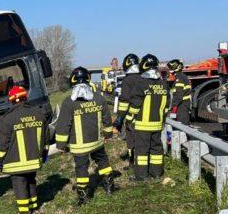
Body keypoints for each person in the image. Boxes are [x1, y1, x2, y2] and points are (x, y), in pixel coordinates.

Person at [55, 67, 115, 205]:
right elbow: (106, 117)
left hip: (79, 146)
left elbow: (63, 125)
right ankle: (110, 186)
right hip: (97, 142)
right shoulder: (98, 97)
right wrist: (108, 133)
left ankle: (83, 198)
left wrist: (61, 145)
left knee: (81, 170)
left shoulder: (69, 102)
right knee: (103, 162)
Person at [0, 85, 50, 214]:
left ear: (12, 100)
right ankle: (34, 205)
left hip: (16, 162)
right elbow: (46, 137)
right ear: (25, 97)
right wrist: (44, 154)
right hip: (34, 159)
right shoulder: (39, 114)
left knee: (20, 185)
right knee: (30, 180)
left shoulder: (8, 118)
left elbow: (2, 144)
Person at [123, 54, 169, 181]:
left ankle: (141, 176)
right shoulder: (163, 84)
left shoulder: (141, 83)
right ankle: (156, 174)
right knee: (156, 149)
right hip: (158, 124)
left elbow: (135, 105)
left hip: (143, 125)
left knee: (141, 151)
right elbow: (166, 106)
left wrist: (129, 119)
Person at [114, 53, 141, 170]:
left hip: (132, 117)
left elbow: (124, 102)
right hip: (145, 116)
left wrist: (119, 119)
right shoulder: (144, 78)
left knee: (131, 140)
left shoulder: (127, 81)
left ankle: (132, 162)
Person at [167, 59, 192, 125]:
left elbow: (179, 94)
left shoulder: (180, 77)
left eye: (171, 67)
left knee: (182, 125)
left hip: (182, 105)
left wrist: (174, 107)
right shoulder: (178, 76)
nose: (170, 69)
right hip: (181, 104)